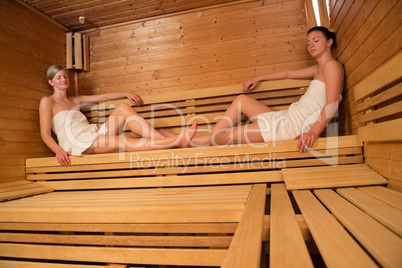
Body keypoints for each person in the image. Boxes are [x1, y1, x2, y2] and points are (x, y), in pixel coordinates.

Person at [167, 26, 344, 152]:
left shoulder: (332, 67)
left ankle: (178, 140)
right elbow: (288, 73)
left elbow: (332, 102)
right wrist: (259, 77)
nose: (311, 45)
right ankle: (195, 139)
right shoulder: (318, 69)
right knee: (241, 100)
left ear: (329, 42)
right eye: (308, 42)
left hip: (293, 128)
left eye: (316, 40)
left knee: (223, 136)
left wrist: (313, 131)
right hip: (287, 117)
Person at [40, 65, 197, 166]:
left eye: (65, 76)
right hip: (77, 141)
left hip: (91, 134)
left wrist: (125, 93)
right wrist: (58, 150)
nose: (63, 79)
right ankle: (176, 141)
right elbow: (45, 134)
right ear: (51, 82)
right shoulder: (48, 102)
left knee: (122, 107)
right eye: (58, 77)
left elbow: (102, 98)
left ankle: (168, 141)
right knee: (122, 140)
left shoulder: (75, 99)